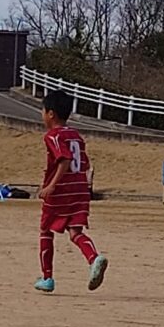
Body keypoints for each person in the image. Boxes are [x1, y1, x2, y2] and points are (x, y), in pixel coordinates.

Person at [35, 89, 107, 293]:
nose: (42, 115)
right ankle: (94, 258)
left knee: (45, 231)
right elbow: (85, 163)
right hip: (79, 191)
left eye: (43, 111)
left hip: (61, 192)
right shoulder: (76, 135)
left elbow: (65, 159)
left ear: (51, 114)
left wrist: (51, 185)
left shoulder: (53, 136)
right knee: (75, 232)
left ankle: (47, 278)